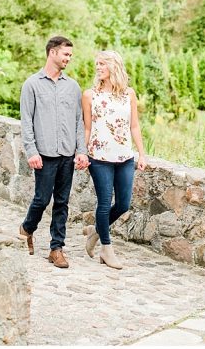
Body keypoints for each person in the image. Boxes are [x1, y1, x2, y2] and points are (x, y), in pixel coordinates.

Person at [18, 35, 89, 268]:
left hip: (67, 154)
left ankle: (56, 248)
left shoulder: (73, 87)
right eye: (66, 54)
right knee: (41, 199)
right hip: (44, 154)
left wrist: (82, 151)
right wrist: (31, 150)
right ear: (52, 53)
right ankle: (27, 228)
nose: (69, 58)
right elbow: (26, 120)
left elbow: (79, 122)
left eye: (70, 55)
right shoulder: (32, 85)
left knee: (62, 202)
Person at [82, 50, 148, 269]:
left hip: (125, 157)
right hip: (99, 157)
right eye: (97, 64)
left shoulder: (128, 94)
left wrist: (142, 153)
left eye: (102, 63)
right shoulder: (90, 95)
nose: (98, 67)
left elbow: (135, 125)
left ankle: (95, 231)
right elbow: (87, 127)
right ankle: (106, 249)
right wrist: (82, 153)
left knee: (123, 204)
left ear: (114, 66)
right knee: (103, 203)